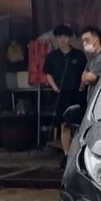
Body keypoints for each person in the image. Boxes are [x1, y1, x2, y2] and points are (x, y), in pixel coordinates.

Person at [57, 27, 101, 169]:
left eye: (87, 40)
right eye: (83, 41)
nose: (85, 43)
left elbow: (90, 77)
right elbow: (83, 80)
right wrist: (85, 78)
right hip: (92, 104)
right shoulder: (92, 59)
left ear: (97, 39)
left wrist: (86, 78)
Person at [42, 25, 87, 168]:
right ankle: (67, 155)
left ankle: (80, 154)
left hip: (78, 94)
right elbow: (47, 72)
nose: (63, 40)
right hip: (61, 95)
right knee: (64, 125)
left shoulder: (79, 55)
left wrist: (82, 85)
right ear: (56, 38)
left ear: (70, 38)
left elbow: (85, 71)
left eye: (66, 37)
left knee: (79, 126)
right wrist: (55, 88)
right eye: (60, 37)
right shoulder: (52, 56)